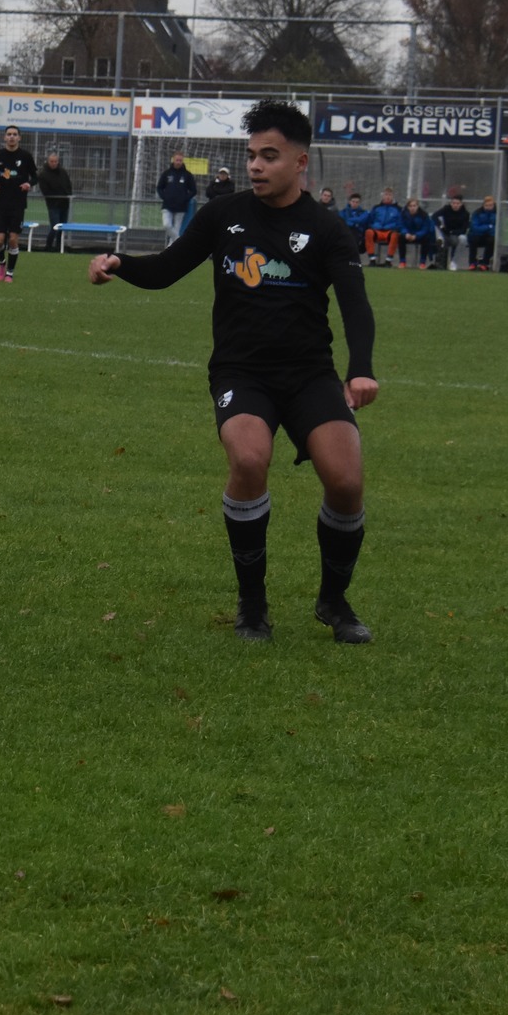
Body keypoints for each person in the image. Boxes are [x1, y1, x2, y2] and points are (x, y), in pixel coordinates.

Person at [88, 99, 376, 645]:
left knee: (346, 480)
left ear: (300, 162)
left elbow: (355, 305)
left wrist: (359, 370)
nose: (256, 167)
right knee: (248, 459)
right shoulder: (224, 214)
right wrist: (120, 265)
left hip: (310, 375)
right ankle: (252, 604)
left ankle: (334, 601)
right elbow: (167, 269)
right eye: (251, 156)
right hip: (242, 374)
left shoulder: (327, 228)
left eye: (269, 156)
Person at [0, 125, 35, 281]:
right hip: (1, 203)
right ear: (4, 137)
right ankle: (2, 263)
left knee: (13, 239)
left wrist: (29, 184)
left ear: (19, 137)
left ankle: (10, 273)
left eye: (14, 134)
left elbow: (35, 176)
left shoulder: (26, 156)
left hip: (18, 204)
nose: (12, 137)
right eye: (9, 134)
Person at [157, 151, 198, 241]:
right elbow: (159, 187)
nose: (178, 162)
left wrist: (185, 198)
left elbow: (193, 190)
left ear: (182, 161)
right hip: (167, 205)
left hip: (181, 207)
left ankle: (171, 247)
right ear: (173, 160)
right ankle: (178, 240)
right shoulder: (167, 173)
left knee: (176, 228)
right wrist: (164, 197)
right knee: (166, 225)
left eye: (180, 160)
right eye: (177, 160)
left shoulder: (187, 175)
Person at [38, 149, 73, 250]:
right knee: (55, 227)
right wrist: (57, 196)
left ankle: (59, 247)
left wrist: (67, 195)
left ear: (58, 161)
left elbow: (68, 185)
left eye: (55, 161)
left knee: (62, 227)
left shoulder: (63, 172)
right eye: (51, 161)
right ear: (48, 161)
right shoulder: (43, 174)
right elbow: (45, 191)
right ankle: (48, 245)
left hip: (64, 204)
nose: (53, 163)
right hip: (53, 205)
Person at [363, 189, 403, 268]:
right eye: (386, 195)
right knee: (368, 232)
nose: (387, 197)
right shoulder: (376, 207)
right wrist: (372, 226)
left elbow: (400, 222)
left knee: (395, 235)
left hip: (390, 231)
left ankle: (388, 261)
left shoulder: (398, 209)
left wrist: (396, 228)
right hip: (377, 230)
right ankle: (372, 260)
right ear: (382, 196)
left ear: (392, 197)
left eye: (389, 195)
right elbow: (370, 219)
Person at [433, 192, 471, 271]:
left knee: (463, 239)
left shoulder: (465, 214)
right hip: (444, 233)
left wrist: (452, 232)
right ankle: (440, 240)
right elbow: (434, 216)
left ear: (461, 204)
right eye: (453, 203)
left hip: (456, 235)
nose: (455, 205)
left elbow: (464, 229)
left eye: (457, 203)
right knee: (435, 227)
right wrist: (441, 226)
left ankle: (454, 262)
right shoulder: (446, 209)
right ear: (451, 203)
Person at [398, 199, 436, 270]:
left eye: (414, 206)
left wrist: (416, 235)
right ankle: (402, 261)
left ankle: (422, 262)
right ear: (408, 207)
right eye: (410, 206)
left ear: (417, 206)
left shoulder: (424, 215)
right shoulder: (403, 214)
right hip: (408, 235)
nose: (412, 208)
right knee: (400, 238)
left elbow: (425, 228)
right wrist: (406, 233)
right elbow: (401, 225)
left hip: (419, 236)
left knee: (427, 238)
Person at [469, 195, 499, 271]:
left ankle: (485, 263)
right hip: (478, 235)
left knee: (491, 241)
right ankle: (472, 263)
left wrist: (485, 228)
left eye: (490, 205)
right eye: (486, 205)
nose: (488, 207)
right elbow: (475, 228)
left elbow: (497, 228)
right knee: (473, 239)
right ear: (483, 205)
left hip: (490, 236)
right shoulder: (477, 213)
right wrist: (488, 227)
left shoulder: (497, 213)